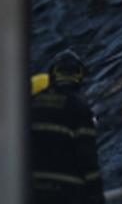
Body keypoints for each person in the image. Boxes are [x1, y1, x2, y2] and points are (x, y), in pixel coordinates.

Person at [30, 49, 105, 202]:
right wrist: (97, 196)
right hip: (68, 192)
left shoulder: (32, 105)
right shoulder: (79, 107)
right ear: (79, 75)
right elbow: (88, 159)